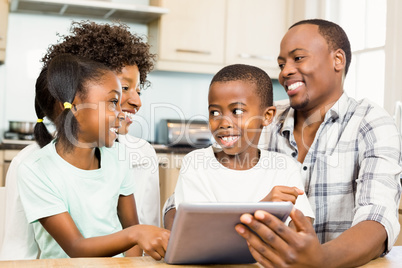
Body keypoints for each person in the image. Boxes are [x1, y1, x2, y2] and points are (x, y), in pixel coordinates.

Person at [235, 19, 402, 267]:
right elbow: (212, 188)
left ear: (338, 60)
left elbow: (377, 219)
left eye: (298, 58)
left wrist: (320, 259)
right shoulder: (265, 120)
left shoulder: (372, 122)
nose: (284, 72)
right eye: (281, 64)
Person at [0, 21, 160, 260]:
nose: (137, 102)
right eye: (123, 89)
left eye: (138, 89)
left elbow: (143, 240)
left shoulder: (135, 155)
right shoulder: (31, 165)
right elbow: (20, 253)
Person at [172, 64, 314, 227]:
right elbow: (199, 235)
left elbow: (301, 234)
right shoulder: (196, 164)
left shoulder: (284, 168)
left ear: (267, 116)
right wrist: (263, 209)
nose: (224, 123)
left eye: (237, 112)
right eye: (215, 113)